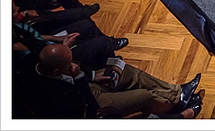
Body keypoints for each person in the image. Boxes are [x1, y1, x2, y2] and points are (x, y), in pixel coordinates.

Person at [15, 43, 202, 119]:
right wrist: (79, 77)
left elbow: (70, 68)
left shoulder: (36, 59)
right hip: (91, 104)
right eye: (69, 64)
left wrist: (89, 75)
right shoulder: (52, 97)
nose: (74, 64)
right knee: (144, 96)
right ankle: (173, 108)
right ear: (56, 71)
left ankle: (178, 94)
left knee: (125, 72)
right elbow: (89, 107)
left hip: (85, 85)